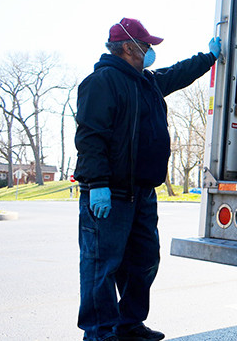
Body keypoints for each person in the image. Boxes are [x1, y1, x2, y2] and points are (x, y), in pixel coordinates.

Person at [74, 18, 221, 341]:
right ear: (128, 47)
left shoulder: (146, 82)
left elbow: (176, 75)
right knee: (102, 266)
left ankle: (129, 325)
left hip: (141, 194)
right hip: (109, 194)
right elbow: (91, 138)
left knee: (142, 262)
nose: (151, 52)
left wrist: (208, 58)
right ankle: (100, 333)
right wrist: (97, 185)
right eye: (146, 46)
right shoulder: (102, 82)